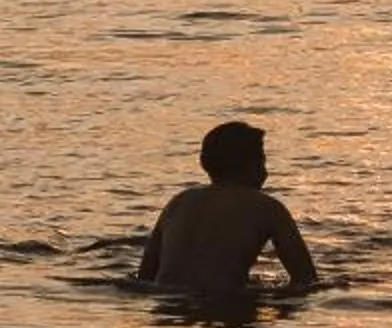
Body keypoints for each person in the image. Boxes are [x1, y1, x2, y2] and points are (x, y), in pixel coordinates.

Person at [135, 121, 320, 294]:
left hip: (169, 309)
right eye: (263, 162)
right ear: (253, 165)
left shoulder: (179, 202)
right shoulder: (268, 208)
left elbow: (144, 276)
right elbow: (305, 279)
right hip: (225, 301)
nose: (266, 172)